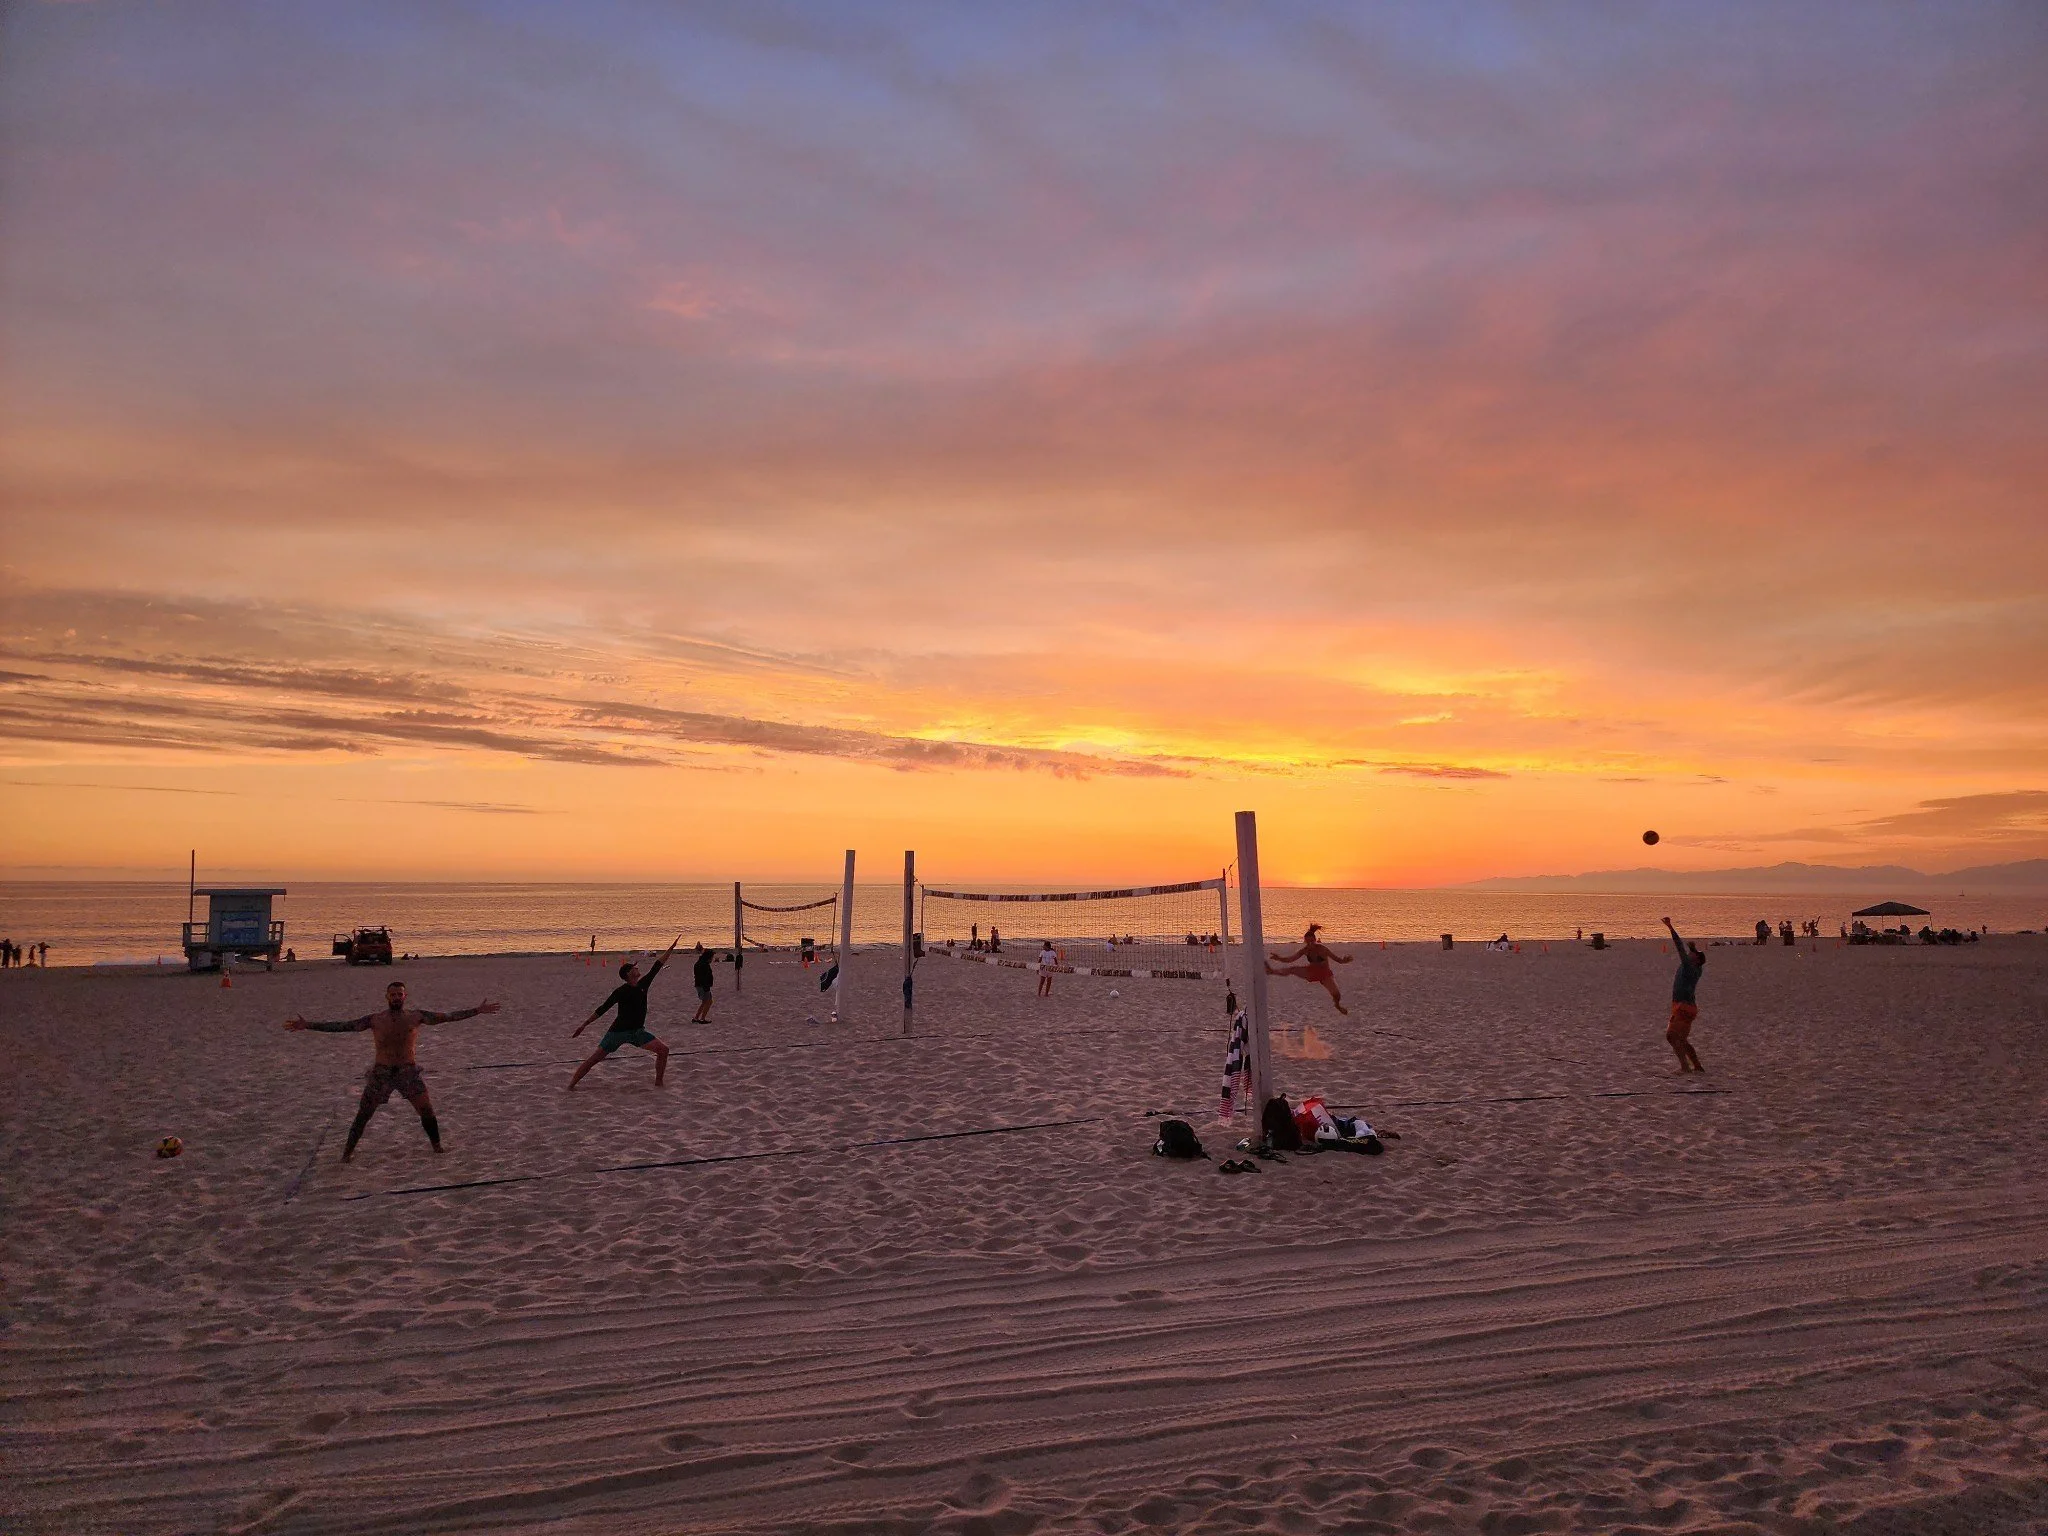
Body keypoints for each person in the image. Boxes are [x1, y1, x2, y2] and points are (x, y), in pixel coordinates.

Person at [284, 981, 501, 1161]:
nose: (396, 997)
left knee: (426, 1110)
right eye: (393, 994)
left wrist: (476, 1011)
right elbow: (343, 1026)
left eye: (400, 994)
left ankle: (436, 1146)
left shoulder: (417, 1016)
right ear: (387, 997)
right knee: (364, 1114)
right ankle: (347, 1154)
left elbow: (448, 1016)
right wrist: (309, 1025)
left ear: (405, 996)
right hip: (382, 1072)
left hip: (408, 1071)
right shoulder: (375, 1019)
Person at [567, 936, 679, 1090]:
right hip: (617, 1032)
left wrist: (671, 948)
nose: (637, 968)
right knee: (594, 1059)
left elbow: (657, 966)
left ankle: (659, 1082)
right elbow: (603, 1008)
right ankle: (571, 1085)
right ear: (628, 973)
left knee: (663, 1050)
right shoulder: (621, 991)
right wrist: (584, 1025)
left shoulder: (643, 984)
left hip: (637, 1032)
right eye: (634, 968)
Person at [1265, 923, 1354, 1014]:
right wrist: (1279, 958)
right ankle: (1271, 971)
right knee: (1292, 969)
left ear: (1315, 940)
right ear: (1305, 941)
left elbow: (1337, 960)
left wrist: (1344, 960)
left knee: (1337, 995)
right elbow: (1290, 959)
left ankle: (1337, 1006)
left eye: (1312, 941)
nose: (1310, 943)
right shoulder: (1305, 950)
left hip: (1324, 974)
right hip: (1311, 972)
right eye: (1308, 942)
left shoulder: (1322, 949)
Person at [1661, 917, 1706, 1073]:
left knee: (1671, 1037)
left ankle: (1685, 1067)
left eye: (1693, 954)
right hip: (1687, 1007)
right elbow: (1690, 953)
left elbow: (1679, 947)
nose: (1690, 954)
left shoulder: (1689, 967)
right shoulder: (1696, 968)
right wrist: (1693, 949)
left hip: (1683, 1007)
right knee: (1681, 1039)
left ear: (1696, 960)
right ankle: (1697, 1066)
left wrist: (1670, 927)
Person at [690, 940, 715, 1023]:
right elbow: (704, 977)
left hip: (701, 985)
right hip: (703, 986)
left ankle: (697, 1017)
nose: (712, 959)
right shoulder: (704, 965)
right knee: (708, 1001)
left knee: (705, 1001)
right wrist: (706, 987)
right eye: (711, 957)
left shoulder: (700, 963)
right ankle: (702, 1018)